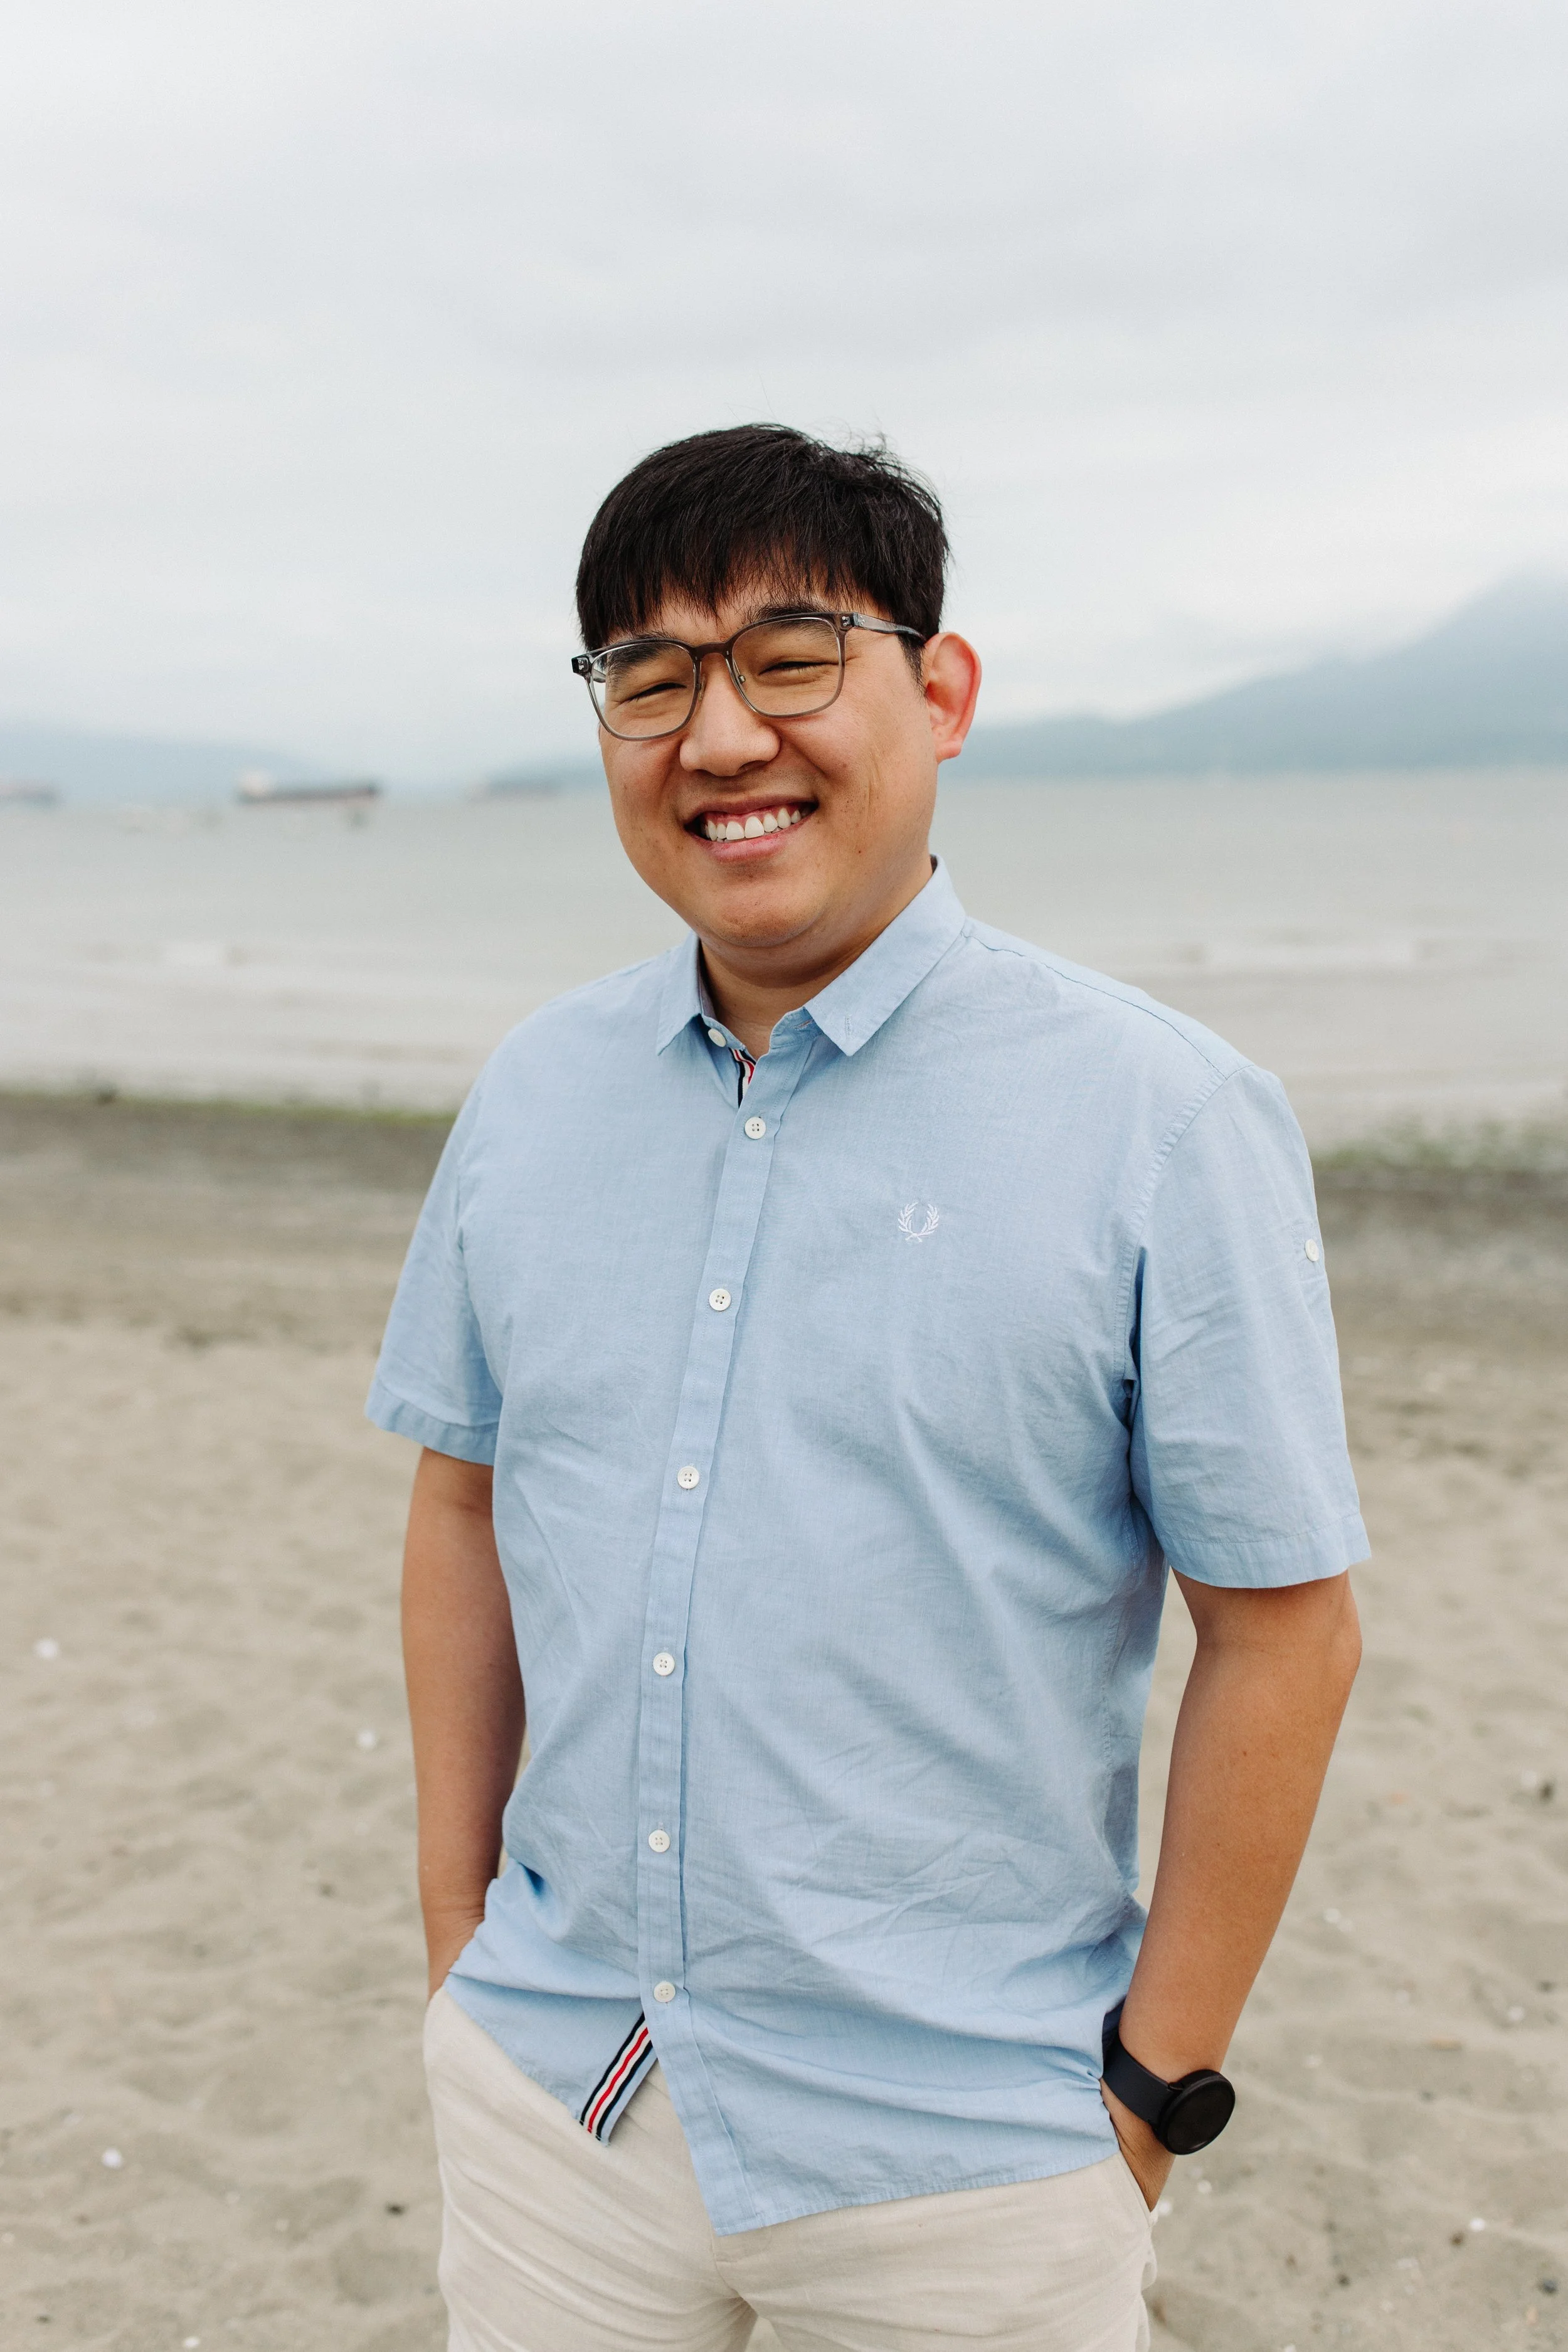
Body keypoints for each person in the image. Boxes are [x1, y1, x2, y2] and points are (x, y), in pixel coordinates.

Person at [369, 423, 1366, 2352]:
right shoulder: (531, 1097)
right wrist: (452, 1951)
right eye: (648, 678)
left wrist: (1147, 2099)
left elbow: (1286, 1629)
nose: (718, 736)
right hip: (555, 2094)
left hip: (967, 2155)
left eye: (790, 654)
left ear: (943, 688)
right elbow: (464, 1500)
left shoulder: (1161, 1116)